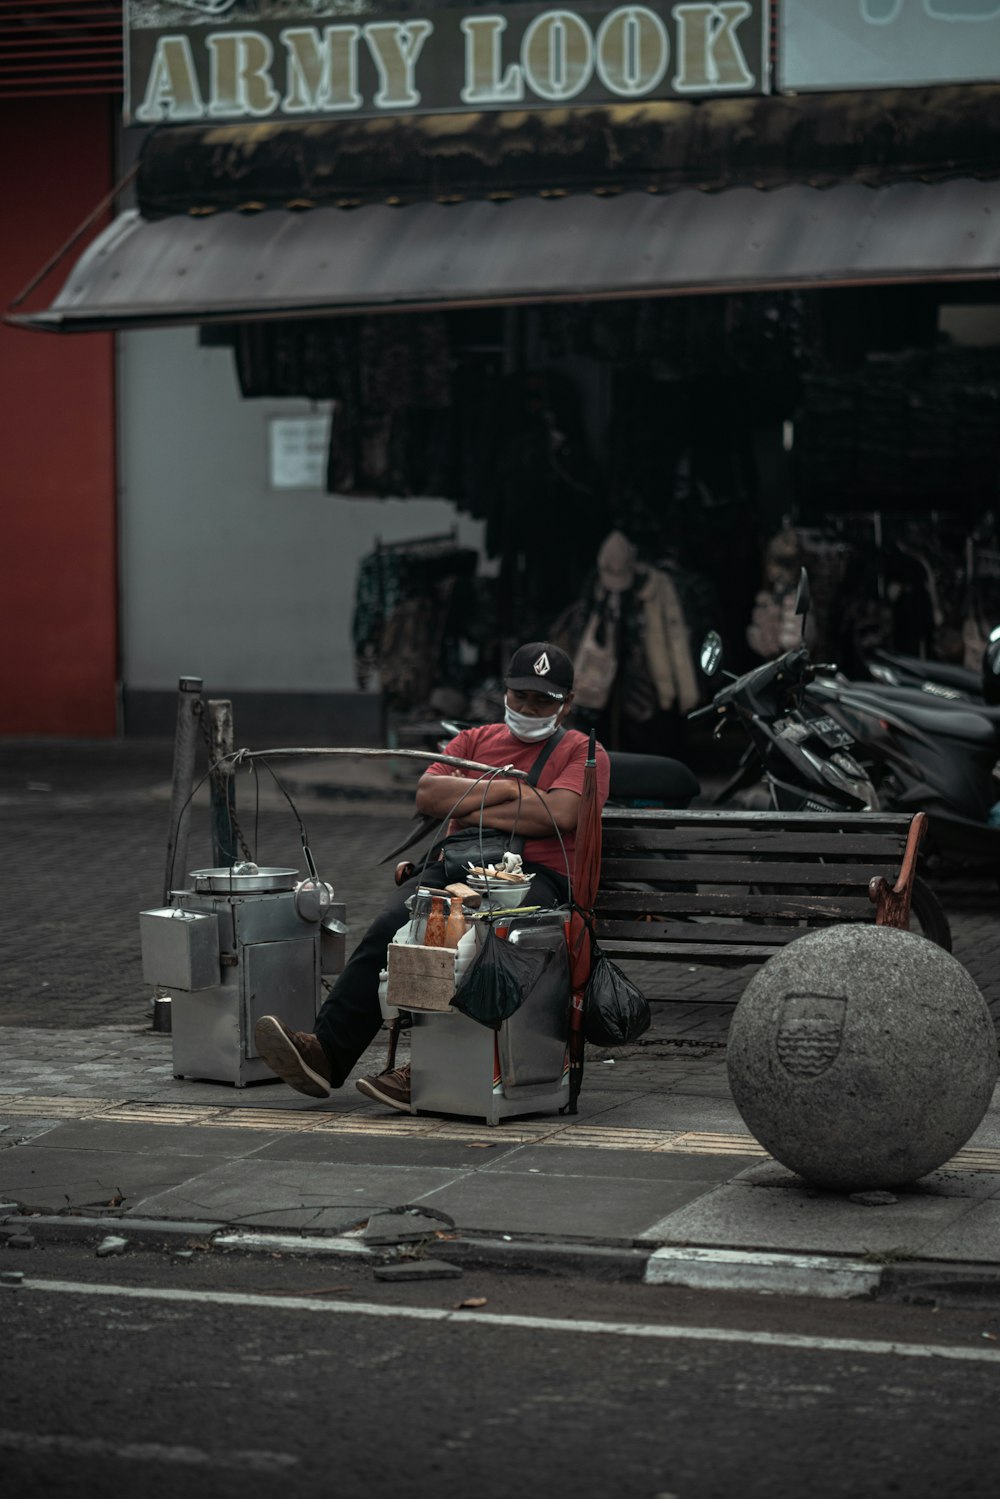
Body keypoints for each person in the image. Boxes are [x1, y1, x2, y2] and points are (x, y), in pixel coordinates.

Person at [254, 641, 611, 1112]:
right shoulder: (474, 740)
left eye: (541, 701)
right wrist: (508, 787)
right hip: (458, 867)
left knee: (456, 943)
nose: (527, 709)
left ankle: (427, 1072)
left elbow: (560, 814)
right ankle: (326, 1054)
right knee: (389, 929)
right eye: (519, 696)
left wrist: (474, 799)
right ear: (504, 692)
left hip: (536, 878)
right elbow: (428, 795)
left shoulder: (584, 752)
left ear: (565, 704)